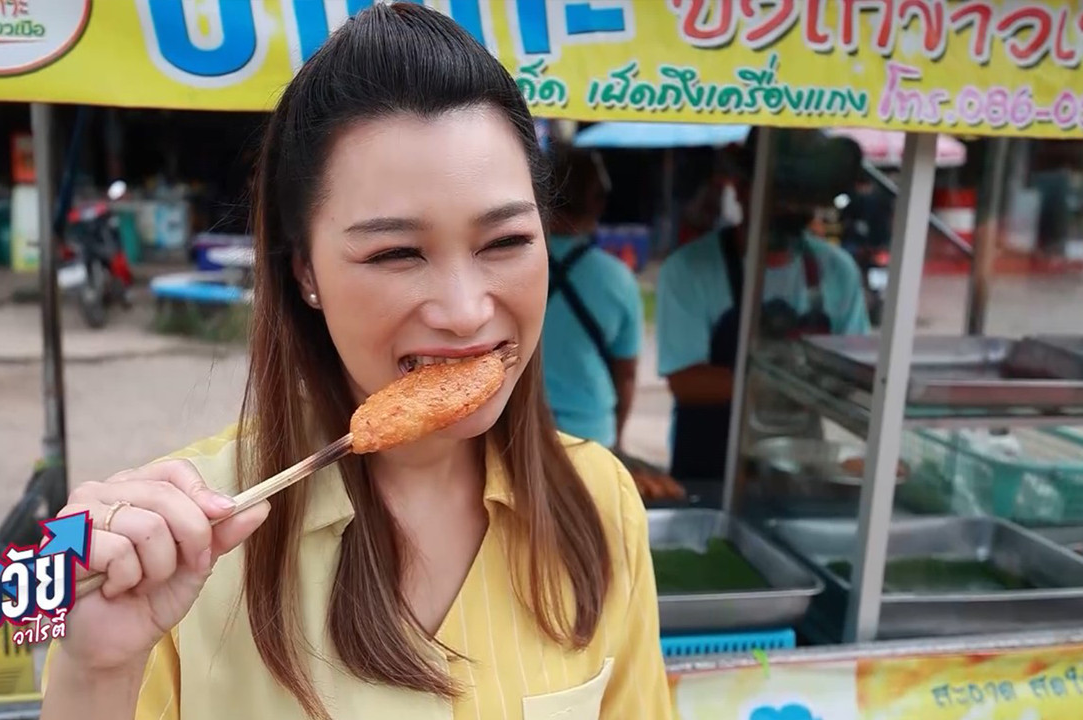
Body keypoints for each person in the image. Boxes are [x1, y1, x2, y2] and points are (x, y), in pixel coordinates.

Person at [41, 5, 672, 720]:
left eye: (505, 242)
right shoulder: (182, 545)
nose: (466, 311)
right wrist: (96, 672)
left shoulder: (600, 501)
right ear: (305, 272)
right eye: (396, 253)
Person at [656, 128, 870, 482]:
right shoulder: (689, 270)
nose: (790, 208)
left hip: (804, 470)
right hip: (710, 470)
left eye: (800, 198)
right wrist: (782, 384)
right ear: (741, 189)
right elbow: (685, 381)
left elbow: (857, 370)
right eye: (780, 195)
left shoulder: (837, 272)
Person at [540, 147, 643, 453]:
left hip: (519, 427)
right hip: (591, 432)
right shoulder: (618, 278)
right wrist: (618, 437)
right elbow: (626, 374)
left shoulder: (513, 266)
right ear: (597, 203)